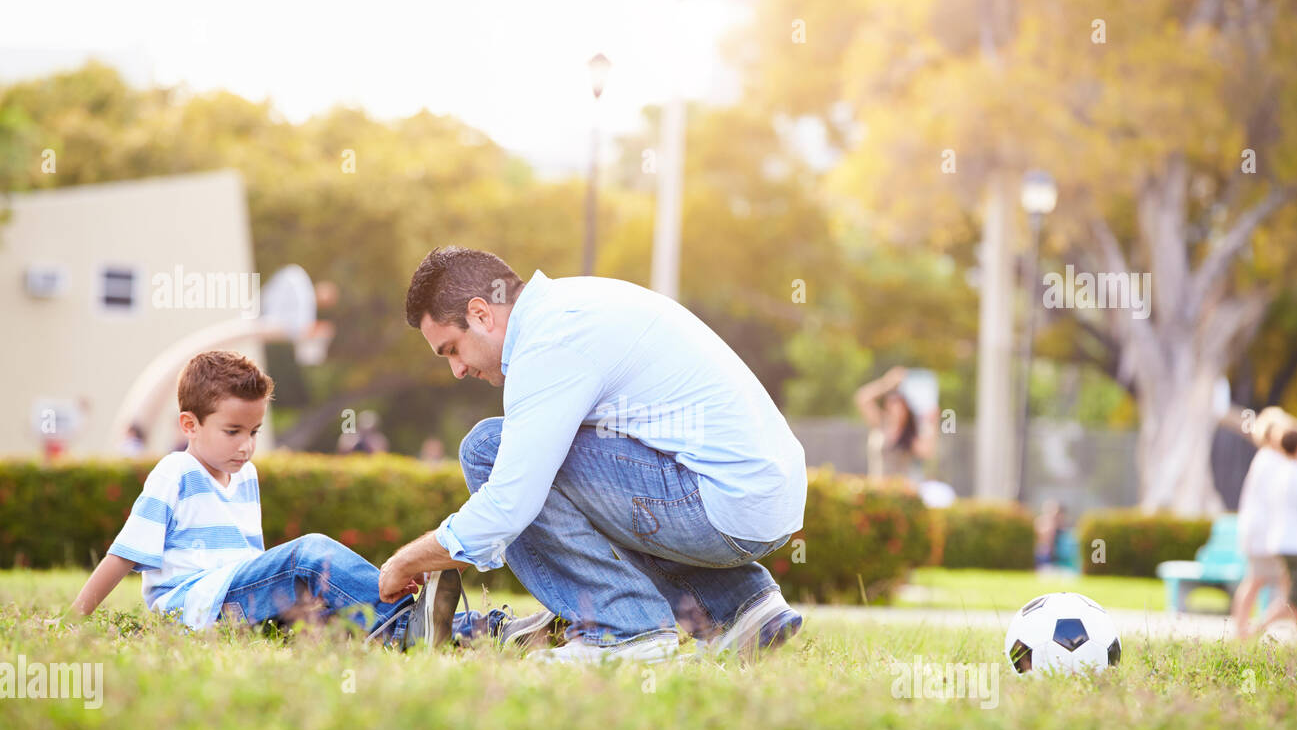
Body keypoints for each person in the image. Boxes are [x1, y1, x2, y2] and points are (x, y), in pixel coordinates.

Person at [377, 246, 808, 664]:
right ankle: (738, 608)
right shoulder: (575, 303)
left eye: (452, 349)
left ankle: (622, 633)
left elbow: (510, 504)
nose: (457, 370)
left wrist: (405, 561)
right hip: (758, 497)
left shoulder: (550, 341)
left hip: (721, 503)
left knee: (487, 449)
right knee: (553, 451)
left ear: (481, 313)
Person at [68, 350, 552, 651]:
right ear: (189, 425)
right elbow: (126, 552)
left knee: (335, 614)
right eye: (232, 431)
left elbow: (251, 563)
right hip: (193, 605)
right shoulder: (175, 472)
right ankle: (409, 621)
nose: (246, 445)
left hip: (241, 599)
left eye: (254, 432)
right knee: (309, 553)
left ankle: (493, 629)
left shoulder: (247, 476)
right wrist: (74, 621)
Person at [1232, 407, 1294, 639]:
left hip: (1262, 533)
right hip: (1264, 534)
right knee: (1260, 582)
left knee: (1257, 582)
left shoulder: (1266, 459)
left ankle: (1247, 629)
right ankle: (1248, 629)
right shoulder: (1272, 460)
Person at [1245, 426, 1297, 638]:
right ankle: (1255, 630)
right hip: (1294, 544)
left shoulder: (1282, 470)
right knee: (1293, 600)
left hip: (1283, 541)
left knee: (1292, 596)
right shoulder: (1294, 473)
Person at [853, 366, 935, 483]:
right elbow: (862, 398)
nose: (895, 406)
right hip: (878, 490)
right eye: (892, 401)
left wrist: (931, 422)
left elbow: (926, 452)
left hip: (901, 493)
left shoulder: (912, 432)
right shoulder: (881, 423)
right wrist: (886, 383)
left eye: (900, 403)